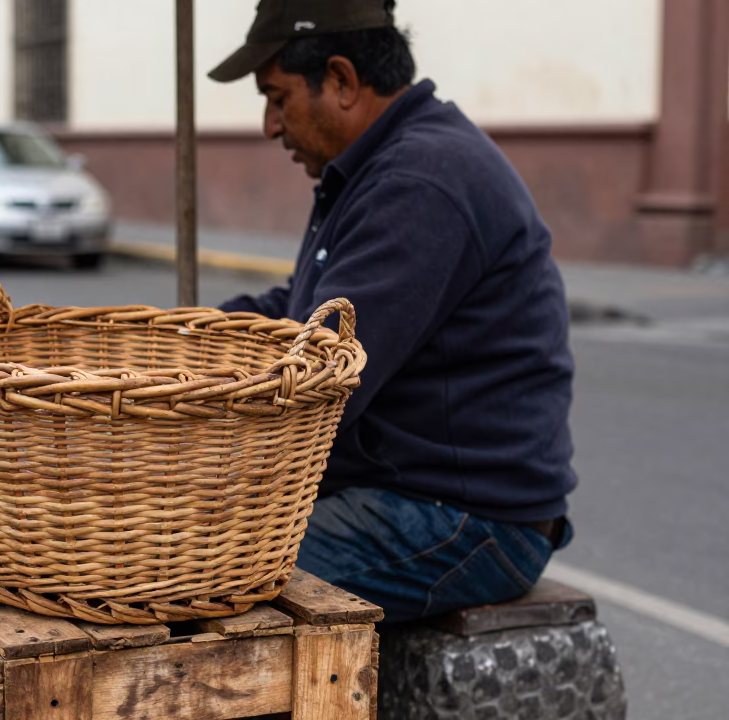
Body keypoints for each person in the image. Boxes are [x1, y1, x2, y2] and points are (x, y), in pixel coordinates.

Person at [208, 0, 576, 623]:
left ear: (343, 82)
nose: (272, 125)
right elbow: (307, 310)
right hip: (410, 494)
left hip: (463, 518)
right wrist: (191, 336)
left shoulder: (419, 180)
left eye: (278, 97)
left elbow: (324, 380)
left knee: (200, 576)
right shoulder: (378, 165)